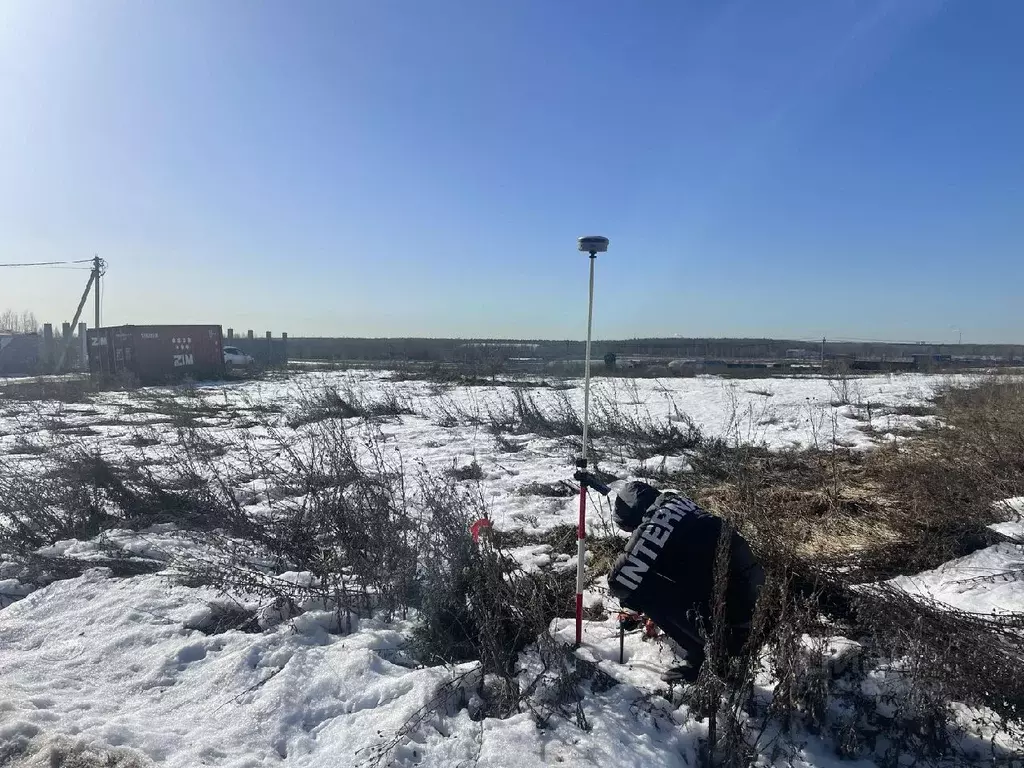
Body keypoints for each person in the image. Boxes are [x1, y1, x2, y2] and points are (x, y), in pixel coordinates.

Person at [607, 480, 765, 683]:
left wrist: (632, 605)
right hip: (754, 602)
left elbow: (619, 581)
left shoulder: (655, 522)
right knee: (659, 569)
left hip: (731, 623)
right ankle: (713, 649)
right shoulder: (676, 503)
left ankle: (709, 657)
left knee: (642, 589)